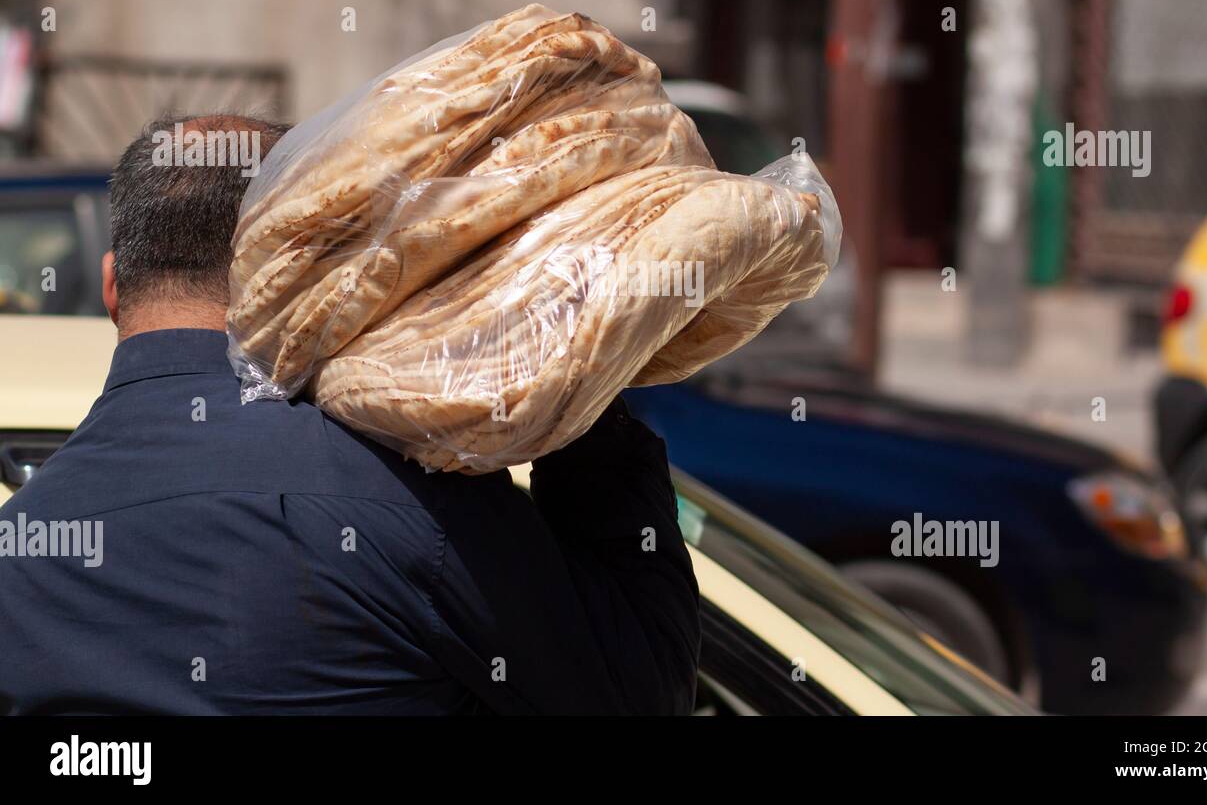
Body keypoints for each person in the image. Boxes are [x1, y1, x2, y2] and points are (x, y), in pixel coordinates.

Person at [0, 114, 700, 715]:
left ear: (111, 285)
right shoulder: (413, 504)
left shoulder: (22, 546)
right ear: (303, 274)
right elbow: (640, 689)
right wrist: (579, 390)